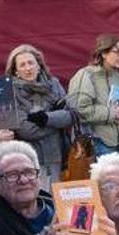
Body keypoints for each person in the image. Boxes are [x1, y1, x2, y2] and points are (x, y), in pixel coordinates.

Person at [4, 44, 74, 181]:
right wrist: (56, 122)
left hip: (59, 156)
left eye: (31, 63)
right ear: (16, 71)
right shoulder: (11, 92)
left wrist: (45, 118)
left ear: (38, 65)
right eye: (22, 65)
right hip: (31, 161)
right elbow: (26, 130)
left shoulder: (53, 84)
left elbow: (71, 116)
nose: (28, 68)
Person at [68, 35, 119, 155]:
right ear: (103, 53)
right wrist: (111, 114)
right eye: (117, 52)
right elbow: (79, 109)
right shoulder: (86, 75)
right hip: (97, 143)